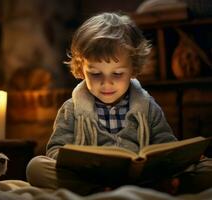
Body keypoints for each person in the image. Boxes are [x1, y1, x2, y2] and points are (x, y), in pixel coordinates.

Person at [26, 12, 212, 195]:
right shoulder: (71, 108)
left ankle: (161, 185)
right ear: (81, 69)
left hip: (142, 177)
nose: (106, 83)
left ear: (133, 69)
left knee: (207, 168)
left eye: (117, 74)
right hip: (92, 178)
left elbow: (166, 145)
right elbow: (55, 151)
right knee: (36, 167)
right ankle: (101, 191)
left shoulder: (148, 106)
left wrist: (182, 159)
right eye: (96, 74)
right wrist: (78, 163)